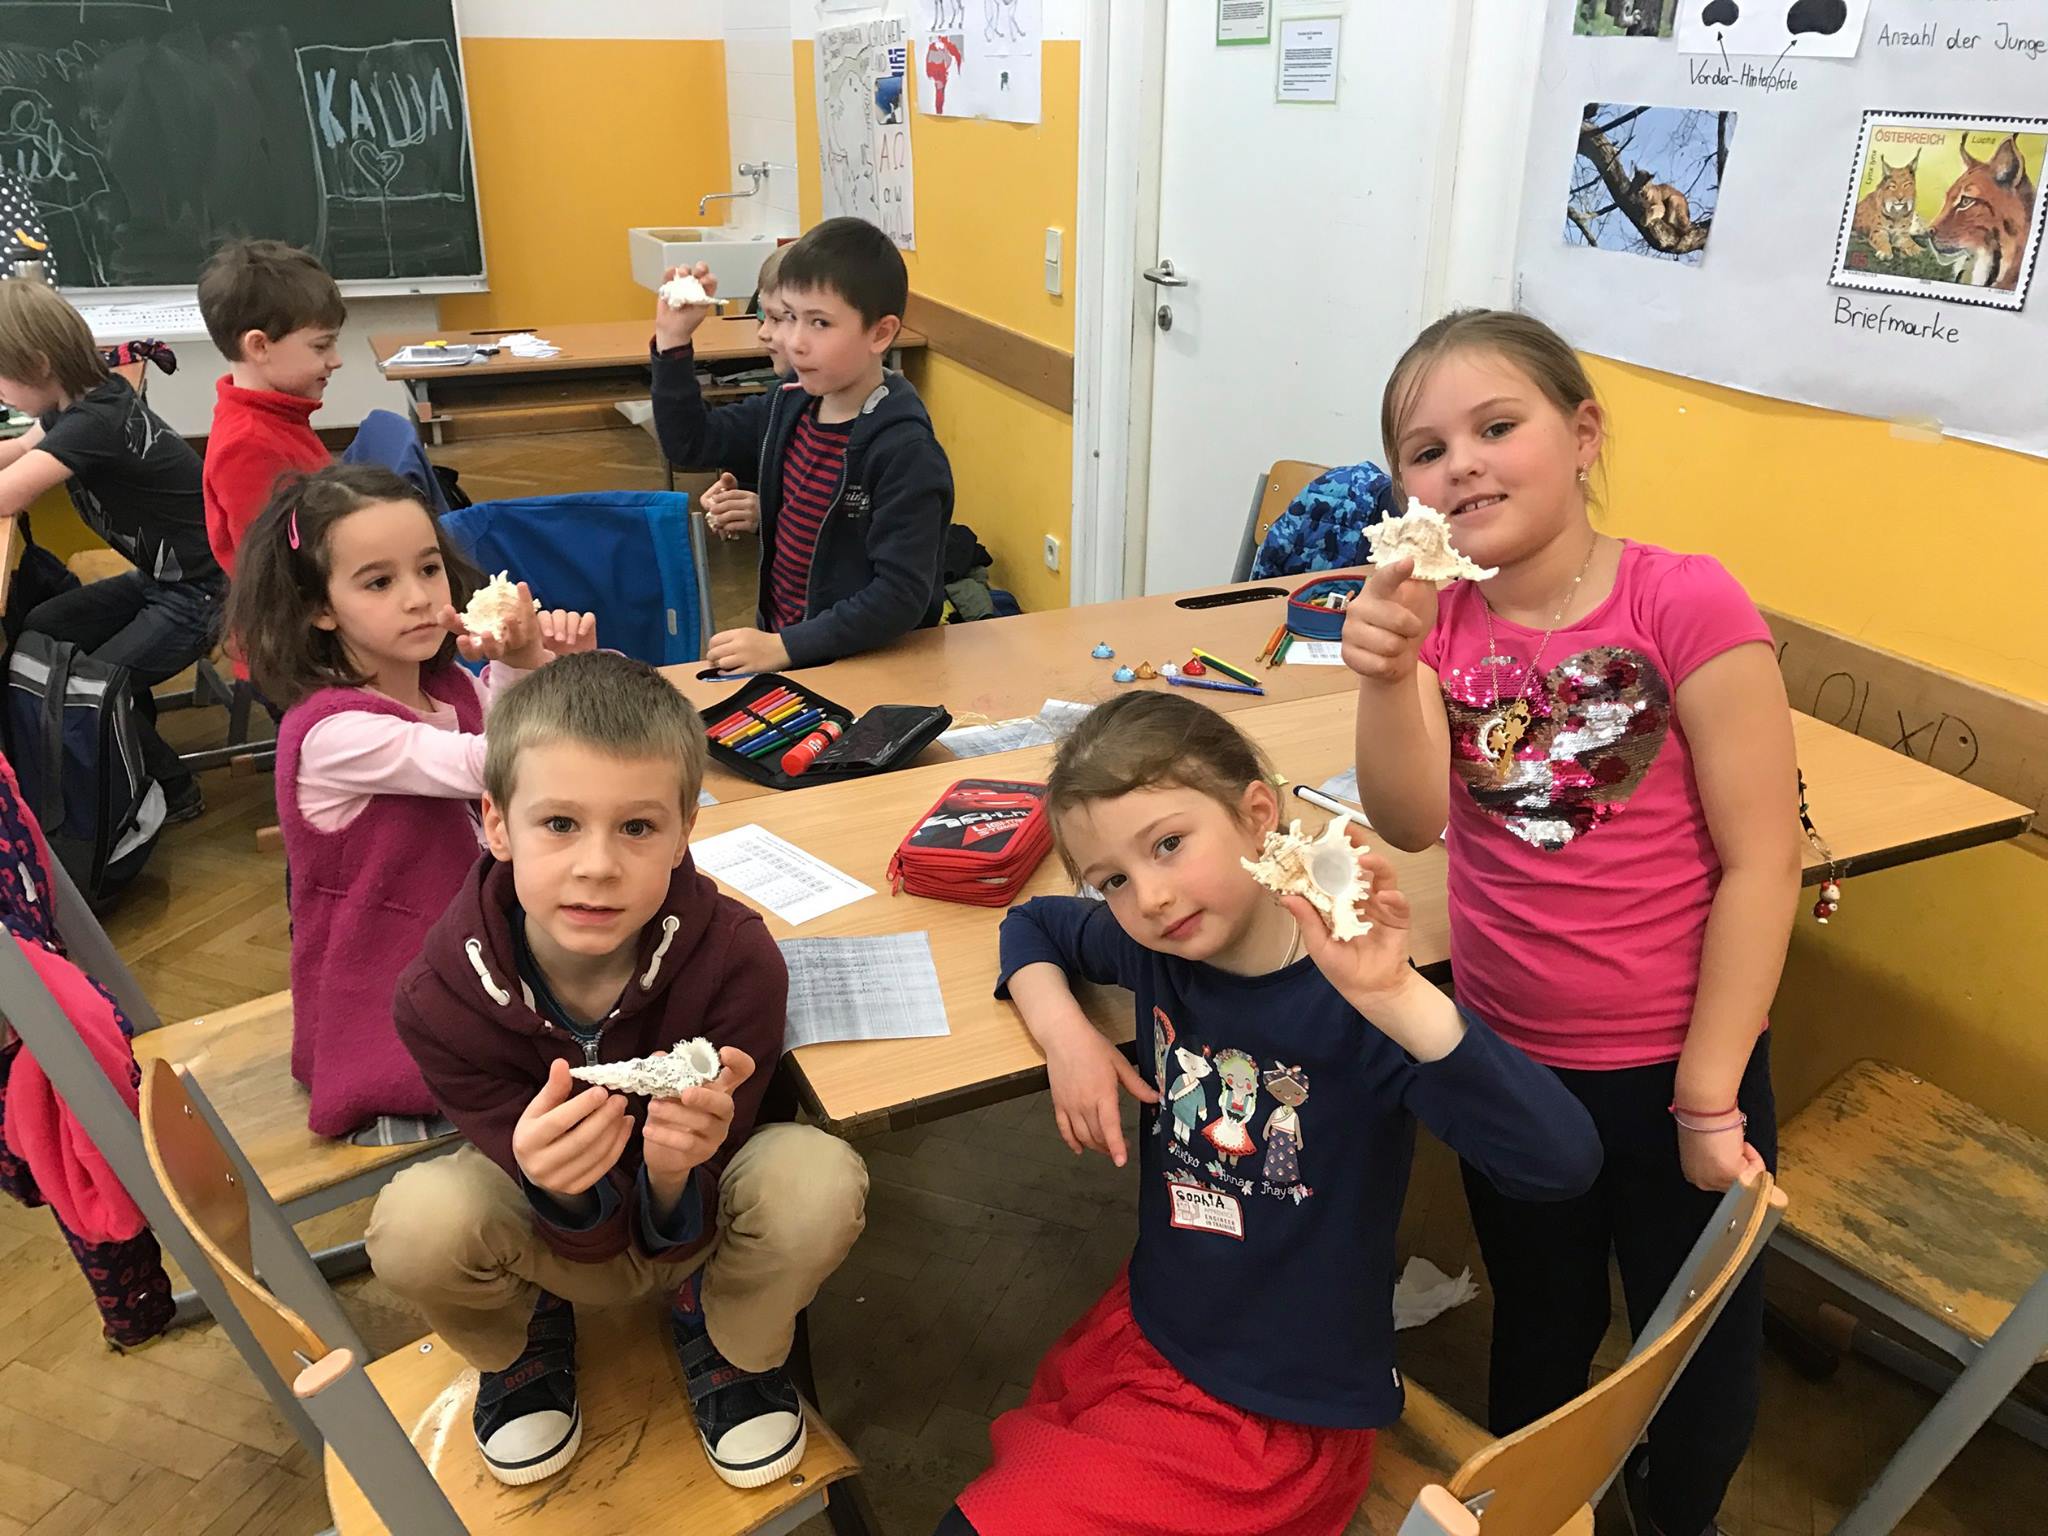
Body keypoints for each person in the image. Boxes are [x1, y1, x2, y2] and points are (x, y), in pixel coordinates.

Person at [1342, 308, 1801, 1536]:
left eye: (1496, 428)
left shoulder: (1682, 600)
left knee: (1693, 1350)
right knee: (1539, 1320)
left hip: (1678, 1068)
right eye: (1426, 451)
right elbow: (1408, 820)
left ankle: (1676, 1517)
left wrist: (1706, 1093)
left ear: (1583, 435)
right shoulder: (1439, 622)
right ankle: (1536, 1515)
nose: (1462, 465)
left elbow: (1764, 861)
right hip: (1509, 1064)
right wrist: (1383, 673)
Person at [936, 691, 1602, 1535]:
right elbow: (1033, 925)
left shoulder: (1357, 1005)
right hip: (1157, 1329)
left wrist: (1396, 996)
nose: (1150, 897)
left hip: (1277, 1412)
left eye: (1169, 845)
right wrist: (1067, 1035)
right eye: (1114, 880)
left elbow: (1559, 1163)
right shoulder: (1159, 951)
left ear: (1258, 817)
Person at [366, 651, 868, 1489]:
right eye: (560, 823)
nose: (597, 866)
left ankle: (728, 1335)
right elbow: (520, 1185)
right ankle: (524, 1339)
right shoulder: (438, 999)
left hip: (702, 1217)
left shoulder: (739, 962)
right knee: (420, 1223)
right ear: (496, 824)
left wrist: (673, 1176)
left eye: (636, 828)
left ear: (683, 832)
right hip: (551, 1230)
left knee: (816, 1178)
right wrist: (557, 1185)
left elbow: (725, 1159)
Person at [224, 463, 594, 1141]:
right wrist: (530, 666)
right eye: (379, 582)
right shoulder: (333, 732)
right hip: (388, 993)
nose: (420, 598)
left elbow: (503, 749)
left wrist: (525, 666)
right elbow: (498, 765)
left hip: (469, 955)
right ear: (319, 607)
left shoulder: (448, 686)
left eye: (428, 569)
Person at [652, 216, 953, 674]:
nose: (794, 341)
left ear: (880, 333)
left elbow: (899, 596)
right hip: (799, 655)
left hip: (869, 666)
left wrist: (785, 646)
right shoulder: (789, 404)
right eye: (789, 317)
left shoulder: (904, 450)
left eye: (819, 323)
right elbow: (690, 443)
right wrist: (673, 341)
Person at [0, 277, 224, 821]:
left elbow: (8, 492)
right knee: (42, 629)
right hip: (164, 581)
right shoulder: (79, 400)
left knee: (84, 685)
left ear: (37, 364)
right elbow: (20, 449)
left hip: (204, 595)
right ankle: (125, 743)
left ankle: (173, 788)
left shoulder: (94, 422)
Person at [197, 239, 346, 578]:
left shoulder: (280, 415)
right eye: (321, 346)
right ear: (259, 346)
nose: (336, 360)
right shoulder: (247, 446)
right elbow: (274, 572)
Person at [701, 242, 791, 544]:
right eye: (764, 317)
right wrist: (749, 496)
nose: (763, 332)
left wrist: (769, 514)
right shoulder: (785, 402)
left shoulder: (894, 437)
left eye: (779, 318)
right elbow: (691, 441)